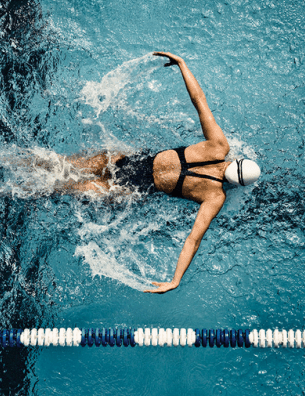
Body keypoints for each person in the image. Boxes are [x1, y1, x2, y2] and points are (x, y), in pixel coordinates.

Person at [61, 52, 260, 294]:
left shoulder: (219, 146)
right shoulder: (215, 197)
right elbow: (193, 241)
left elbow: (199, 100)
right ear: (236, 185)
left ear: (237, 158)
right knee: (59, 187)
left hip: (126, 160)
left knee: (59, 166)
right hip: (130, 190)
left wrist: (183, 65)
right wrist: (176, 280)